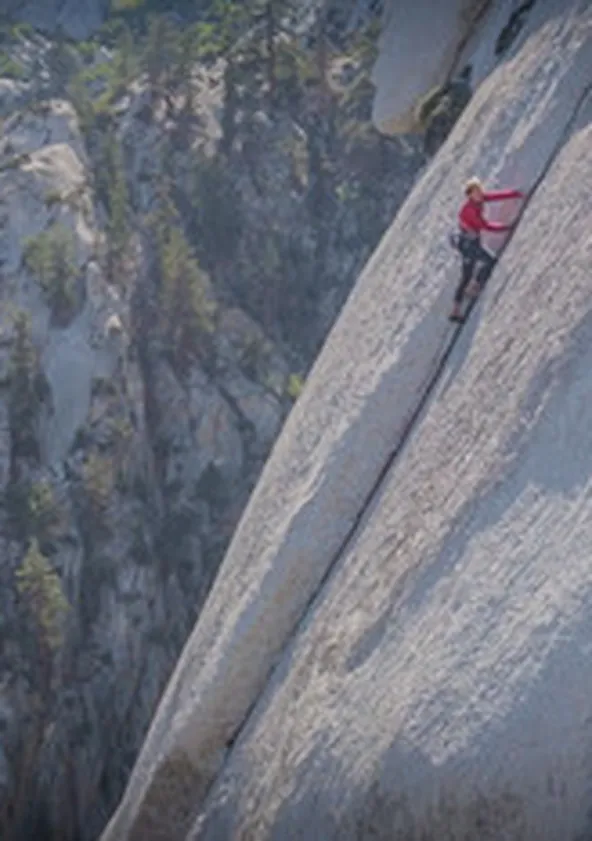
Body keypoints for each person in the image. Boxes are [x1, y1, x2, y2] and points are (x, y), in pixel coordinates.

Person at [449, 177, 524, 323]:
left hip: (471, 242)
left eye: (479, 190)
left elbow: (494, 197)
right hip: (468, 244)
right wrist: (505, 227)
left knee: (467, 274)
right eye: (475, 192)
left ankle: (456, 309)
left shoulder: (478, 201)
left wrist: (513, 194)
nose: (479, 193)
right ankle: (473, 288)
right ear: (469, 195)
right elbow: (485, 225)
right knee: (488, 262)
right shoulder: (469, 209)